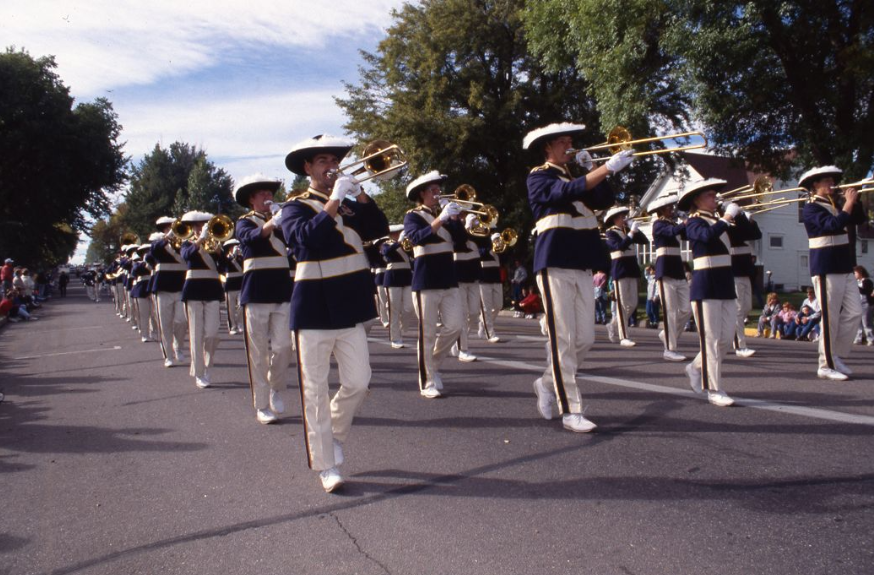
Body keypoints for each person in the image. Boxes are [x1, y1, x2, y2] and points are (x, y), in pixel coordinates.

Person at [282, 135, 389, 492]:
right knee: (314, 391)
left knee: (359, 381)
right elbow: (306, 240)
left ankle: (335, 435)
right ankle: (326, 464)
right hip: (312, 308)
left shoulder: (347, 202)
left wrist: (359, 195)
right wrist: (333, 200)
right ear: (308, 168)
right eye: (322, 161)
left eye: (334, 160)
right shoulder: (293, 207)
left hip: (348, 305)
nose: (331, 166)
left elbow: (377, 229)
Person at [523, 121, 633, 432]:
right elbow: (563, 192)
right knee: (564, 339)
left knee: (585, 338)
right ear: (548, 147)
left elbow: (603, 201)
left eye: (570, 141)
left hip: (582, 262)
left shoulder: (579, 176)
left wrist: (597, 167)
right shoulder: (538, 175)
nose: (569, 146)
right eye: (563, 142)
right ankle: (571, 409)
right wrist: (604, 170)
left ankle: (547, 382)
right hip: (554, 260)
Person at [233, 174, 294, 425]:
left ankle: (275, 388)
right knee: (258, 352)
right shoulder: (244, 221)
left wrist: (285, 220)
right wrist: (272, 223)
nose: (268, 197)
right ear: (252, 200)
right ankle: (260, 405)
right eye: (262, 194)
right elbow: (249, 239)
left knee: (283, 347)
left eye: (270, 193)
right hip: (256, 291)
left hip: (282, 289)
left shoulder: (282, 221)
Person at [403, 171, 466, 398]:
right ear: (422, 193)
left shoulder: (447, 215)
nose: (438, 194)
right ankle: (426, 380)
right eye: (433, 190)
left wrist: (456, 218)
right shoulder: (413, 216)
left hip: (448, 278)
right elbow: (417, 238)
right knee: (427, 333)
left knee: (455, 326)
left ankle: (433, 365)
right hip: (426, 279)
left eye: (439, 190)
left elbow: (461, 242)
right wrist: (441, 219)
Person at [800, 165, 866, 381]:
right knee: (830, 318)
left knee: (855, 312)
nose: (831, 183)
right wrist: (847, 203)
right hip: (826, 266)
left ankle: (834, 355)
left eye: (831, 180)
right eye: (826, 180)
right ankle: (824, 364)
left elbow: (857, 219)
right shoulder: (810, 208)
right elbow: (832, 225)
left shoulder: (835, 203)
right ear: (815, 185)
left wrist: (853, 201)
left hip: (844, 265)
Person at [680, 178, 738, 407]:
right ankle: (713, 388)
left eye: (715, 196)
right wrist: (726, 218)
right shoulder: (693, 222)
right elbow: (705, 237)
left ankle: (694, 367)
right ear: (697, 200)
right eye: (710, 196)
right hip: (705, 284)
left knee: (725, 339)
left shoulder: (717, 221)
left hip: (724, 283)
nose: (715, 199)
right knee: (712, 340)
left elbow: (752, 234)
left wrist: (739, 216)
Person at [179, 211, 224, 389]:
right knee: (196, 334)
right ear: (192, 229)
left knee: (212, 334)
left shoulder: (214, 244)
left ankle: (207, 365)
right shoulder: (187, 243)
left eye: (203, 225)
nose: (200, 228)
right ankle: (199, 372)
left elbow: (225, 266)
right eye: (197, 226)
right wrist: (199, 240)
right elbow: (186, 256)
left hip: (212, 289)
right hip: (193, 290)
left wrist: (221, 251)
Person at [650, 193, 691, 361]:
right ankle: (669, 349)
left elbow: (687, 234)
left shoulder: (673, 223)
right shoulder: (658, 224)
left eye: (672, 207)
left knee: (687, 309)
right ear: (661, 210)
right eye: (669, 207)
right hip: (665, 269)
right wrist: (685, 222)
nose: (672, 210)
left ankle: (667, 333)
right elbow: (673, 231)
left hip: (677, 269)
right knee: (670, 311)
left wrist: (688, 219)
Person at [604, 206, 646, 346]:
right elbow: (620, 246)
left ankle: (614, 324)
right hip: (620, 270)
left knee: (633, 303)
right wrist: (631, 233)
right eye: (622, 217)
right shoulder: (610, 233)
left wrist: (634, 230)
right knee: (622, 304)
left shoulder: (627, 231)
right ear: (615, 219)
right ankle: (624, 337)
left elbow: (644, 241)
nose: (624, 219)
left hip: (631, 269)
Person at [150, 216, 189, 367]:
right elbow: (152, 252)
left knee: (182, 320)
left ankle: (178, 346)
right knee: (165, 323)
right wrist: (167, 238)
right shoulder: (159, 244)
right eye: (168, 229)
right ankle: (168, 355)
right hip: (163, 288)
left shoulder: (182, 244)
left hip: (180, 286)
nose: (172, 231)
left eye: (174, 228)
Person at [727, 208, 762, 358]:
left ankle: (728, 335)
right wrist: (738, 217)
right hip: (734, 272)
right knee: (739, 310)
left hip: (746, 272)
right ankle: (740, 345)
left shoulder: (742, 225)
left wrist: (750, 220)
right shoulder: (728, 226)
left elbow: (755, 235)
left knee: (747, 307)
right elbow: (738, 233)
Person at [451, 212, 485, 362]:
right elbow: (458, 240)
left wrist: (479, 228)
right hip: (459, 277)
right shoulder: (458, 233)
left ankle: (456, 340)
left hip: (474, 278)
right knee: (463, 314)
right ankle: (463, 349)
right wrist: (463, 226)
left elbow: (487, 247)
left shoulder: (478, 237)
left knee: (473, 314)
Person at [380, 224, 415, 348]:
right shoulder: (385, 244)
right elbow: (386, 253)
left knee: (409, 307)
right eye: (396, 233)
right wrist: (399, 242)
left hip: (406, 276)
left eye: (400, 232)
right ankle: (395, 338)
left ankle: (402, 327)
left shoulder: (406, 244)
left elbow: (413, 256)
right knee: (394, 309)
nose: (399, 234)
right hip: (393, 277)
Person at [478, 232, 503, 342]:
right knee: (486, 308)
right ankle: (491, 333)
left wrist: (502, 250)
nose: (498, 242)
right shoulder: (484, 247)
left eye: (499, 239)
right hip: (484, 280)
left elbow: (505, 261)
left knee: (498, 305)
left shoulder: (500, 251)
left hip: (496, 279)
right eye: (496, 240)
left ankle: (482, 323)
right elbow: (479, 254)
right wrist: (490, 249)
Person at [130, 244, 156, 343]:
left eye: (148, 251)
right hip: (141, 290)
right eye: (144, 252)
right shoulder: (137, 263)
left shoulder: (154, 262)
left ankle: (155, 333)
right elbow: (135, 271)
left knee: (154, 314)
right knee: (144, 314)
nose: (147, 253)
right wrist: (145, 262)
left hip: (152, 287)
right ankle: (144, 334)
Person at [218, 239, 244, 335]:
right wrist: (232, 256)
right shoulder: (225, 257)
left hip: (241, 283)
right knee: (231, 308)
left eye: (236, 246)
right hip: (230, 285)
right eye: (232, 246)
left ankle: (240, 323)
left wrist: (239, 256)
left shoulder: (242, 257)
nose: (235, 248)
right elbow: (222, 267)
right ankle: (233, 326)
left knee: (241, 305)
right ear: (229, 248)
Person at [853, 265, 874, 345]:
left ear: (860, 272)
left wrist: (856, 287)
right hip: (858, 303)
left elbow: (865, 291)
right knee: (858, 322)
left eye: (855, 273)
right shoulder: (857, 282)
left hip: (866, 303)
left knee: (866, 322)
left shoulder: (867, 281)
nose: (854, 275)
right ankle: (858, 338)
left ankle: (870, 339)